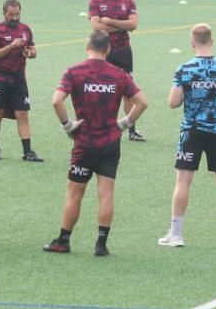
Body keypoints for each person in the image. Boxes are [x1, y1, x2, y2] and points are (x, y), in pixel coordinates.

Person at [44, 30, 148, 256]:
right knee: (106, 192)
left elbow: (56, 101)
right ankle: (101, 244)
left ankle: (63, 240)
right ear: (109, 50)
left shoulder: (74, 72)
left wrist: (67, 125)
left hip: (85, 142)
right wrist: (125, 123)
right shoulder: (119, 74)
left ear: (86, 46)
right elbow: (142, 102)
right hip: (110, 141)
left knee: (74, 193)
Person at [159, 24, 216, 247]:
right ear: (212, 40)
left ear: (192, 42)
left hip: (191, 132)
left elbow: (173, 102)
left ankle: (176, 234)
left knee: (183, 181)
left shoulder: (184, 69)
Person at [88, 0, 144, 142]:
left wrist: (110, 21)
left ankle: (131, 129)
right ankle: (99, 127)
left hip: (123, 51)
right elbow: (97, 27)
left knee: (128, 92)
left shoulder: (128, 1)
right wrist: (122, 25)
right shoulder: (95, 2)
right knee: (101, 90)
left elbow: (133, 25)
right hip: (102, 52)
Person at [0, 0, 42, 162]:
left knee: (22, 114)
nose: (15, 18)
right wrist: (10, 46)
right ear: (4, 13)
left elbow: (33, 49)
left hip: (19, 78)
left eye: (17, 14)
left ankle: (27, 152)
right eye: (11, 15)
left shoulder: (25, 29)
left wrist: (30, 53)